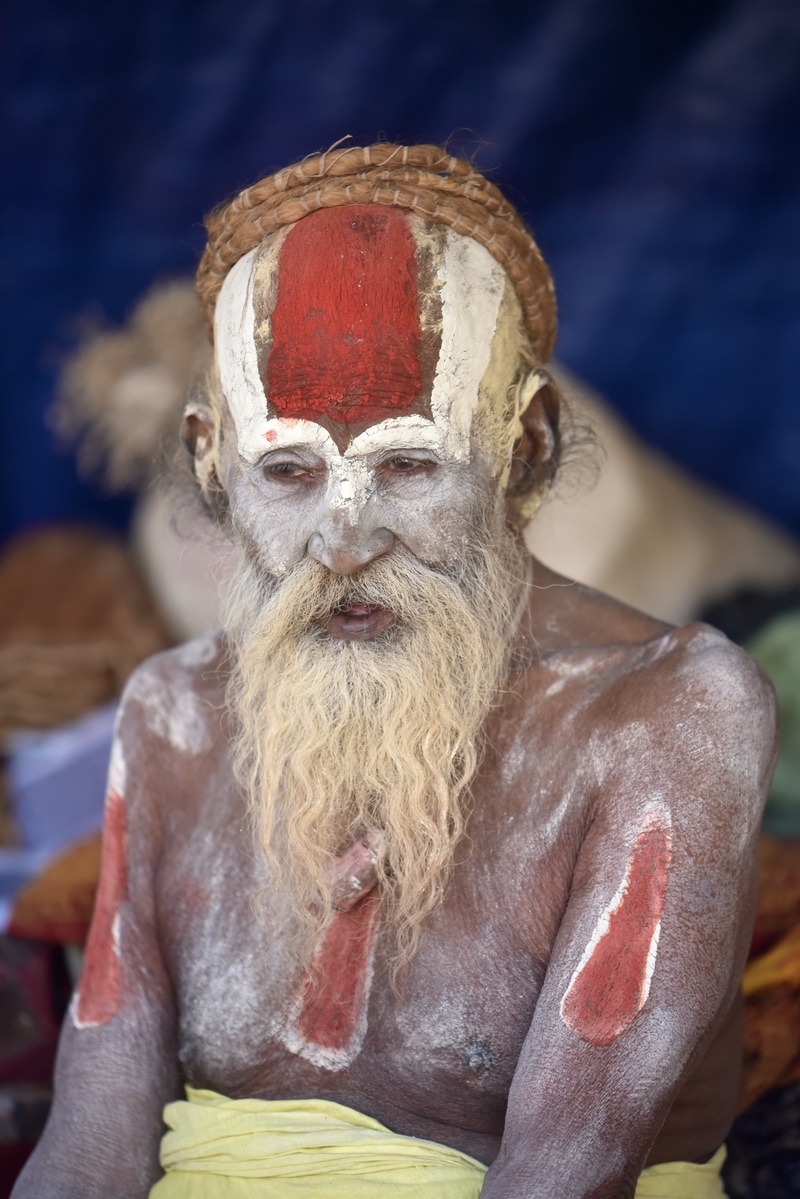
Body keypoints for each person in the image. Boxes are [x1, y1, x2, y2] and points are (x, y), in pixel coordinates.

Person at [13, 144, 777, 1199]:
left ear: (524, 450)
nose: (343, 540)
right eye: (287, 471)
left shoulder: (668, 712)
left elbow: (565, 1173)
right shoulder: (173, 714)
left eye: (407, 464)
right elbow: (89, 1148)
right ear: (210, 466)